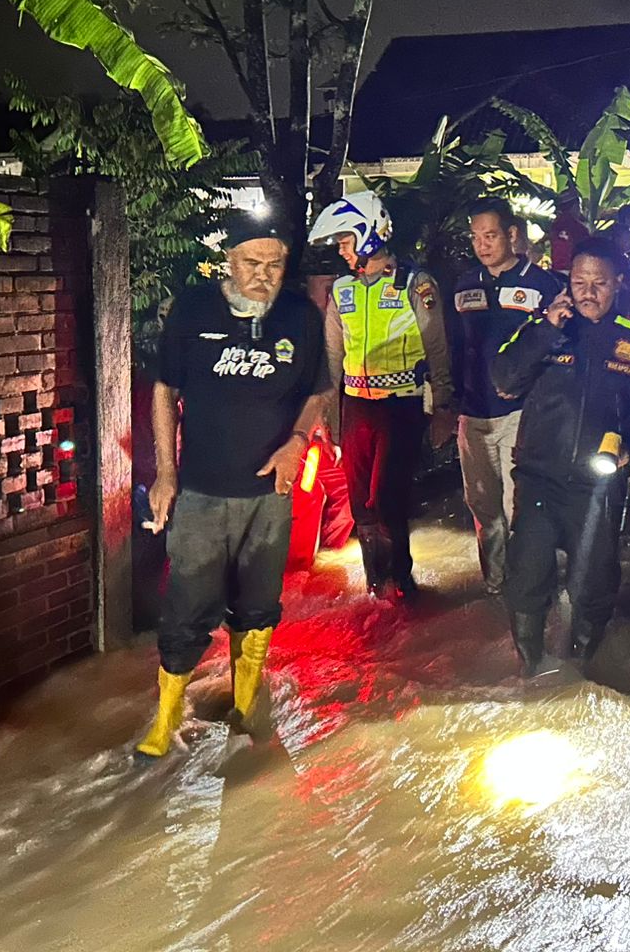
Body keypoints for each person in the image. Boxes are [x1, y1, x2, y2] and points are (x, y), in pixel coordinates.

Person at [136, 214, 332, 759]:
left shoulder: (300, 315)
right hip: (201, 489)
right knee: (187, 605)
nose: (263, 275)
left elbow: (318, 391)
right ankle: (167, 717)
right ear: (229, 260)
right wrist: (166, 474)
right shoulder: (194, 310)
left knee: (260, 603)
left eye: (275, 264)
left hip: (270, 493)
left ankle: (247, 706)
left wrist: (297, 442)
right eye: (252, 263)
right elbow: (163, 392)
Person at [493, 239, 630, 674]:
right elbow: (505, 378)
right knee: (526, 573)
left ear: (618, 283)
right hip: (538, 476)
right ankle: (529, 671)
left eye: (599, 283)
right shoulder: (546, 327)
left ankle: (580, 668)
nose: (588, 292)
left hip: (598, 485)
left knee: (592, 582)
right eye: (579, 282)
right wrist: (547, 328)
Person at [310, 191, 454, 598]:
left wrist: (442, 404)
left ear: (367, 235)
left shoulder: (416, 283)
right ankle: (375, 586)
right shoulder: (341, 291)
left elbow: (437, 346)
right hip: (355, 407)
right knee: (361, 504)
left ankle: (402, 584)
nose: (341, 251)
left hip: (401, 406)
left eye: (344, 241)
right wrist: (328, 420)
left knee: (389, 498)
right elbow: (332, 358)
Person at [450, 198, 563, 593]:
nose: (482, 245)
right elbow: (451, 346)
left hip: (521, 413)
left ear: (512, 234)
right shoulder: (464, 285)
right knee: (483, 507)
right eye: (476, 237)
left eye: (491, 235)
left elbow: (558, 348)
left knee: (523, 506)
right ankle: (496, 586)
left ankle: (530, 587)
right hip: (472, 413)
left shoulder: (543, 284)